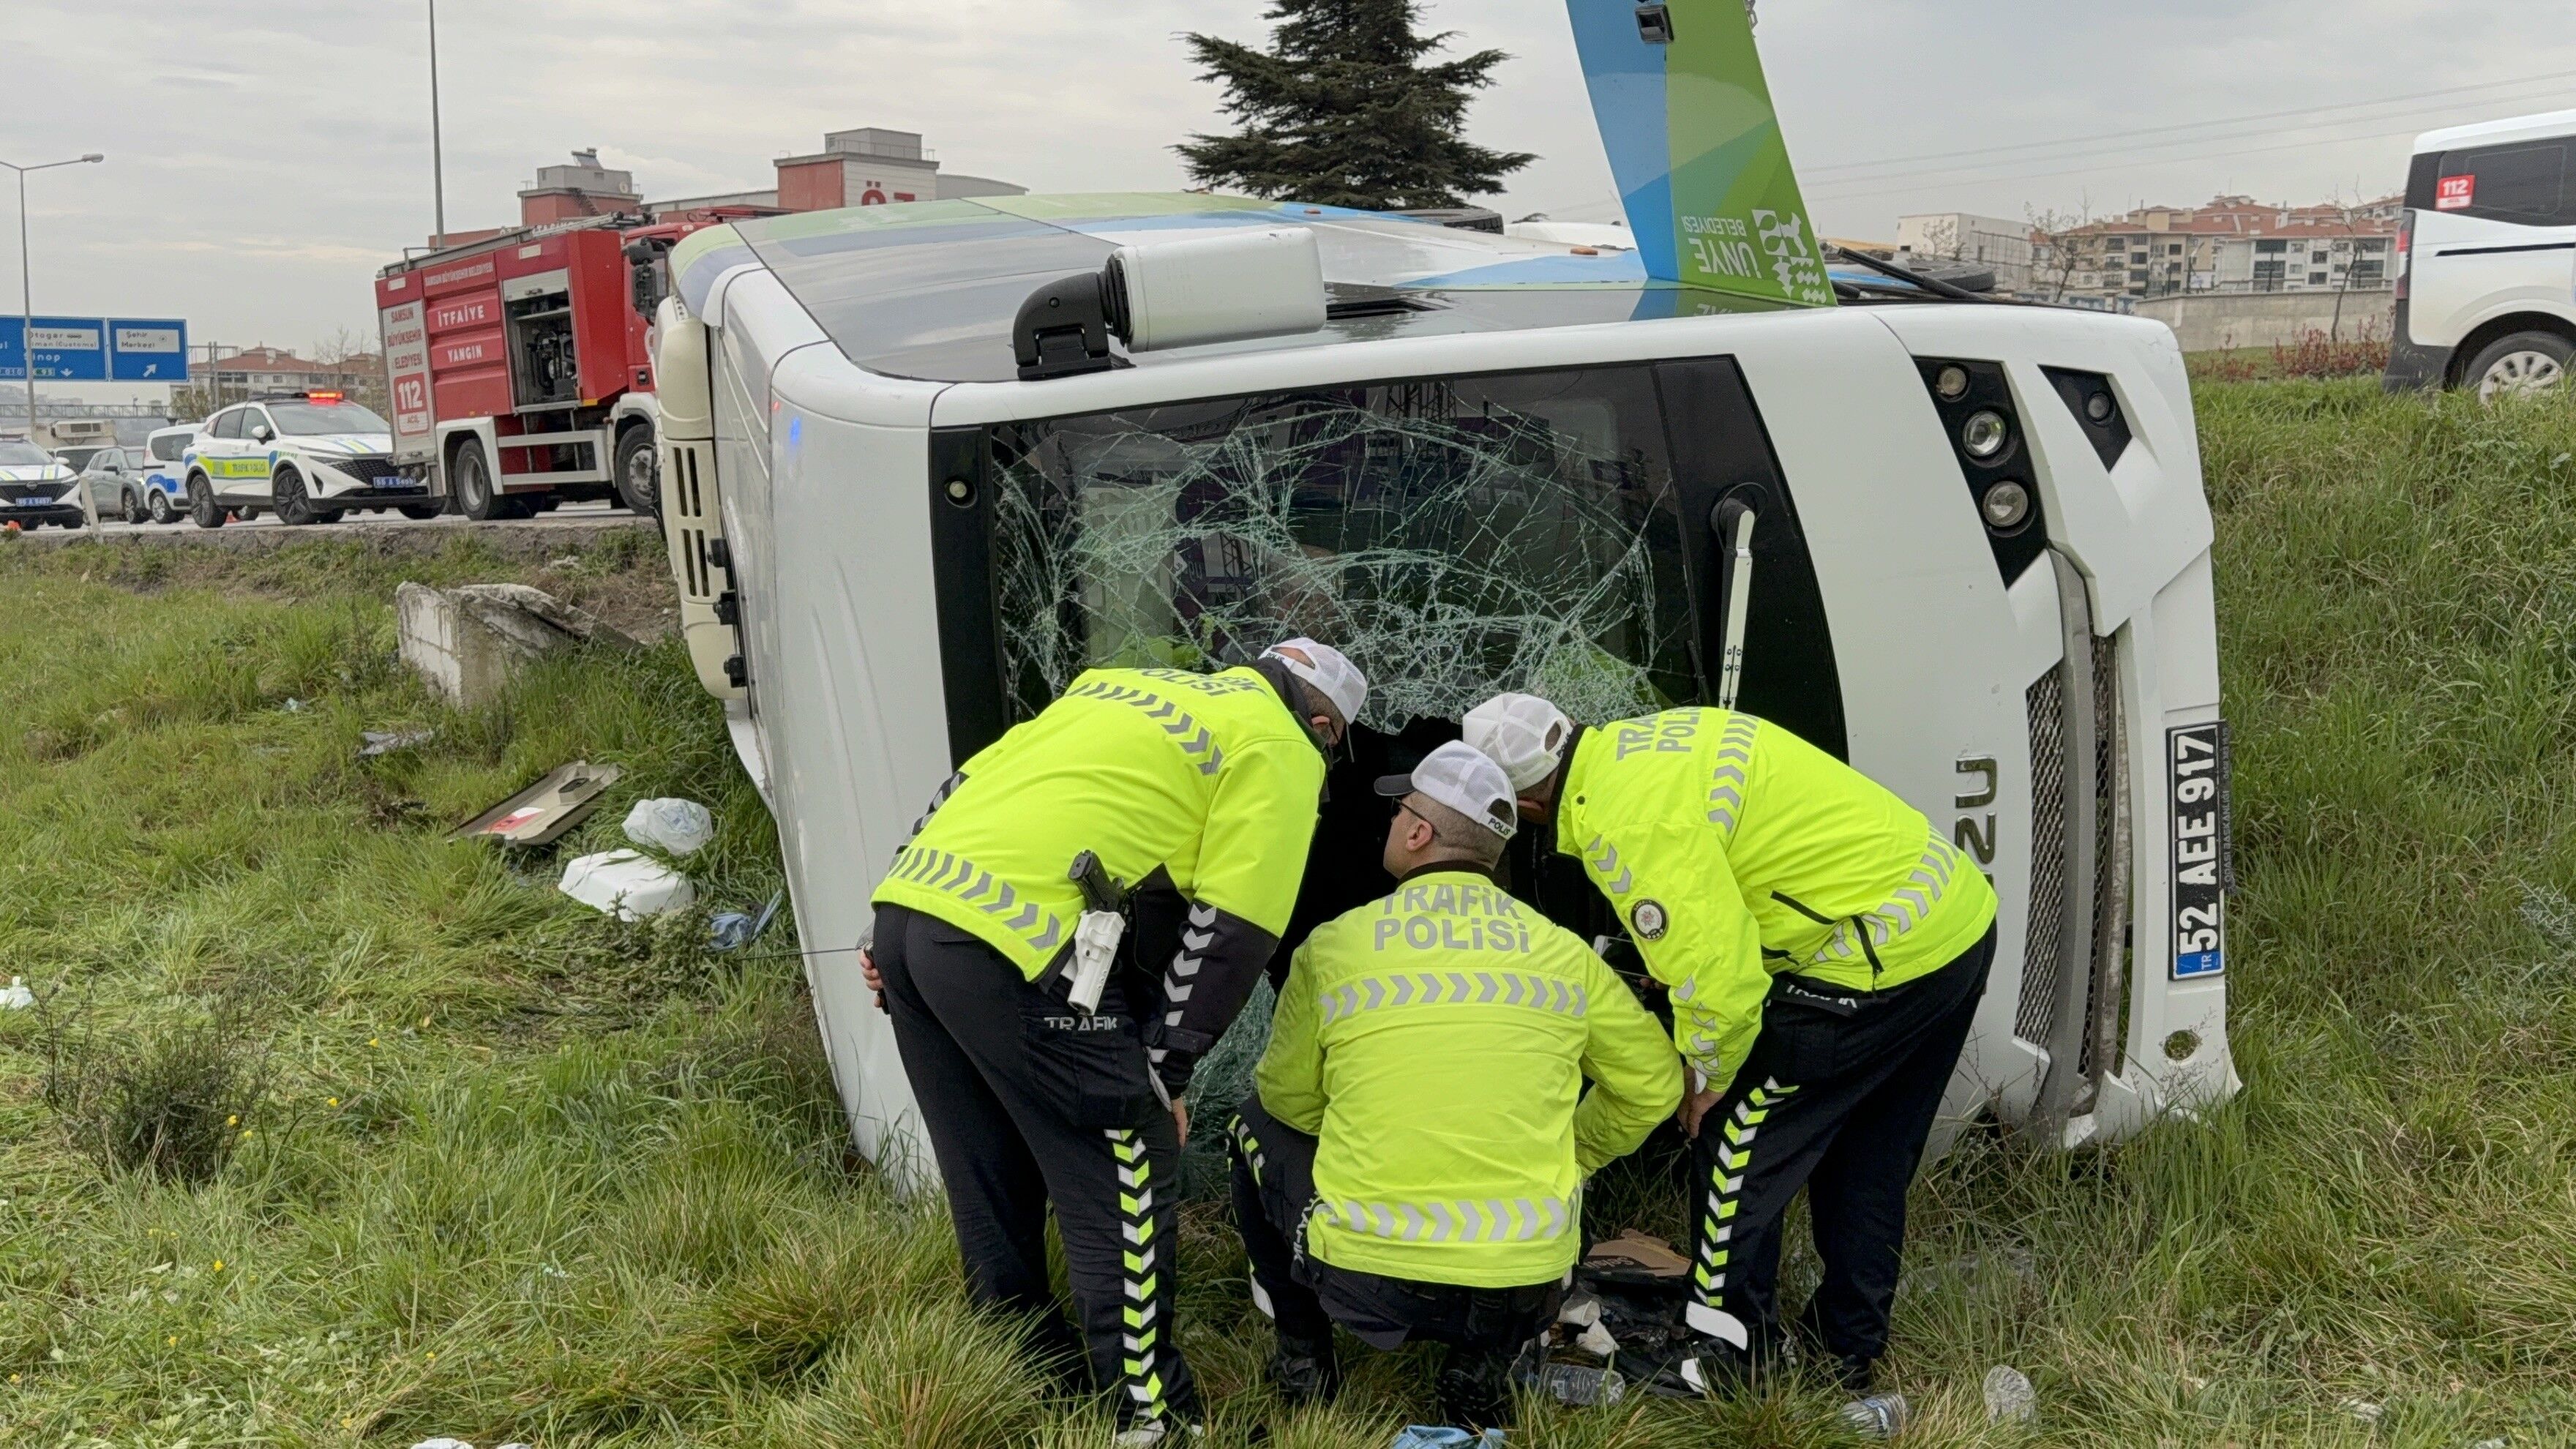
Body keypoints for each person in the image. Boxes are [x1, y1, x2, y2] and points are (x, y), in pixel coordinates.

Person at [864, 640, 1368, 1446]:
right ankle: (1149, 1419)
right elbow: (1236, 930)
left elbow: (964, 784)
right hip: (1020, 950)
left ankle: (1019, 1360)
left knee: (983, 1158)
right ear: (1324, 725)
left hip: (912, 915)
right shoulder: (1279, 746)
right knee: (1127, 1157)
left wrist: (891, 912)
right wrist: (1162, 1073)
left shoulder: (1119, 687)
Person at [1459, 693, 1999, 1396]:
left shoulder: (1621, 821)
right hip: (1950, 921)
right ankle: (1845, 1350)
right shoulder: (1652, 740)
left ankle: (1727, 1352)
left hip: (1875, 958)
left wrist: (1706, 1075)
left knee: (1733, 1135)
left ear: (1525, 805)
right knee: (1870, 1152)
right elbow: (1732, 885)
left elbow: (1723, 980)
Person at [1230, 741, 1680, 1429]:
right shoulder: (1562, 953)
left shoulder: (1335, 947)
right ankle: (1480, 1365)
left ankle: (1304, 1358)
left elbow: (1289, 1101)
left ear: (1417, 832)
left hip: (1366, 1280)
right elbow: (1653, 1085)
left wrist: (1374, 1135)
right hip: (1523, 1283)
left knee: (1251, 1125)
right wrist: (1573, 1152)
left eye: (1398, 810)